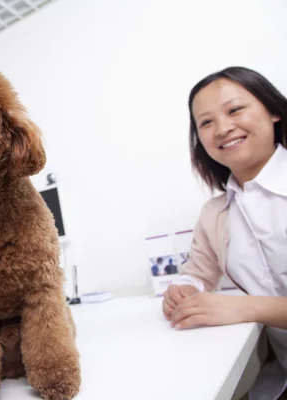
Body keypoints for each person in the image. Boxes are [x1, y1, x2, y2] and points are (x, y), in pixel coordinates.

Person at [162, 67, 287, 400]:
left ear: (274, 111)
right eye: (206, 122)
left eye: (234, 110)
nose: (223, 128)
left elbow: (242, 308)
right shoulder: (216, 212)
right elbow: (198, 273)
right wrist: (185, 289)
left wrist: (243, 308)